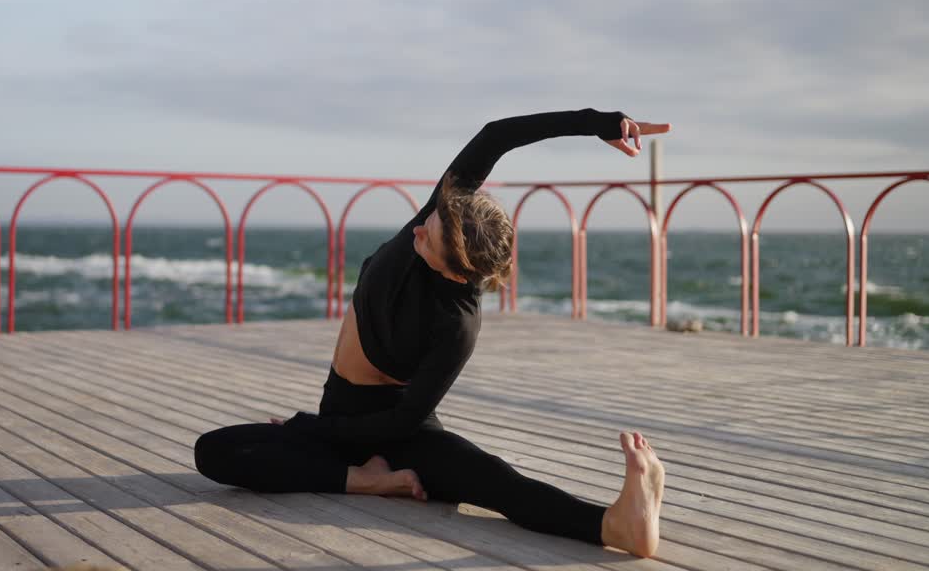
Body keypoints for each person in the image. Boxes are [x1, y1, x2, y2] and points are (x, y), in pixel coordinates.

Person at [194, 109, 670, 557]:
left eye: (431, 235)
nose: (419, 229)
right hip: (339, 423)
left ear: (457, 273)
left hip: (394, 434)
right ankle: (367, 480)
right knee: (214, 452)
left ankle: (616, 524)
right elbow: (495, 136)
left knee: (495, 482)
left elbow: (402, 422)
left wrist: (313, 429)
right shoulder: (431, 221)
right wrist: (599, 123)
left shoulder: (457, 325)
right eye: (431, 218)